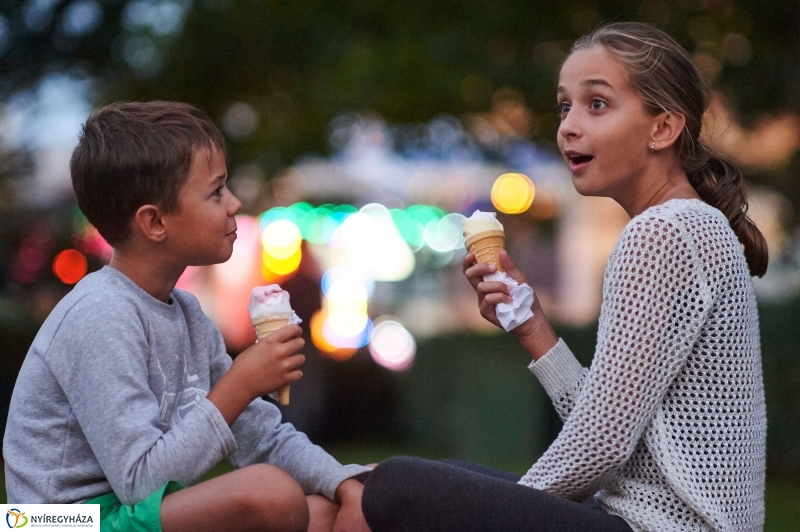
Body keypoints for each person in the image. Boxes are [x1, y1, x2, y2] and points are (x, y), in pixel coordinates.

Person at [361, 21, 768, 532]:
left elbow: (601, 444)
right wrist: (534, 328)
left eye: (596, 104)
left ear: (663, 128)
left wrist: (500, 509)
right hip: (636, 517)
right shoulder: (686, 224)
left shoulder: (664, 232)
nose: (568, 126)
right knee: (416, 479)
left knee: (396, 486)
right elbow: (610, 426)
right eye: (565, 106)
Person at [2, 101, 371, 532]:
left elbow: (264, 438)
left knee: (339, 506)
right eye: (216, 192)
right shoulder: (100, 315)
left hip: (125, 515)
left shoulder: (189, 315)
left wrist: (346, 484)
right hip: (51, 523)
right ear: (155, 222)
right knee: (271, 495)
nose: (234, 204)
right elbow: (141, 484)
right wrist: (239, 385)